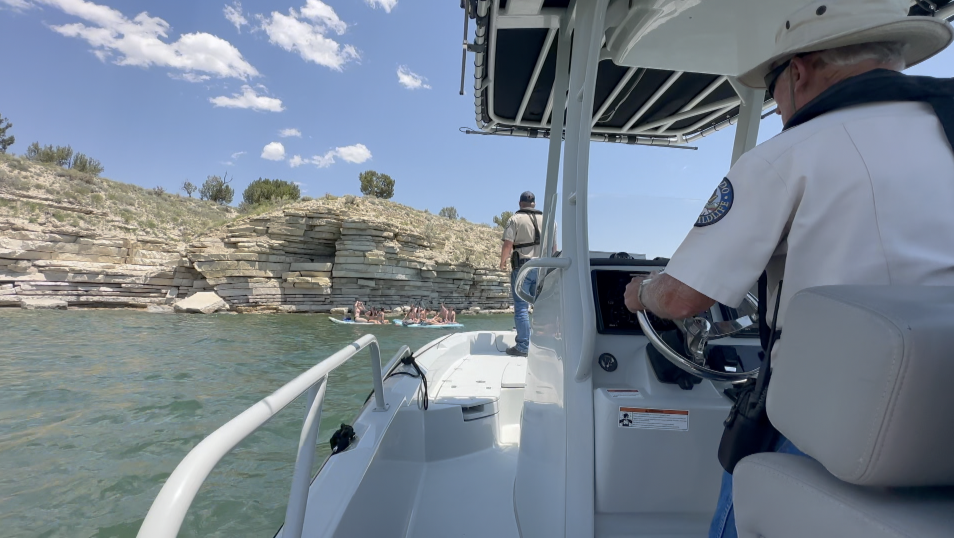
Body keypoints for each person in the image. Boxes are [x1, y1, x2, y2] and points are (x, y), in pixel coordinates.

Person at [621, 2, 954, 536]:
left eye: (772, 86)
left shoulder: (789, 154)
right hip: (943, 420)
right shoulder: (945, 131)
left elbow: (685, 298)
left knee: (744, 476)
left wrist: (640, 293)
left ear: (797, 70)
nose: (775, 104)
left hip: (834, 419)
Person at [499, 191, 545, 356]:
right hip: (543, 267)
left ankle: (523, 346)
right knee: (543, 306)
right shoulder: (549, 220)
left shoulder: (514, 219)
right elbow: (554, 248)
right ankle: (544, 344)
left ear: (520, 204)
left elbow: (508, 245)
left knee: (521, 308)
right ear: (534, 204)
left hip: (523, 268)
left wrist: (503, 262)